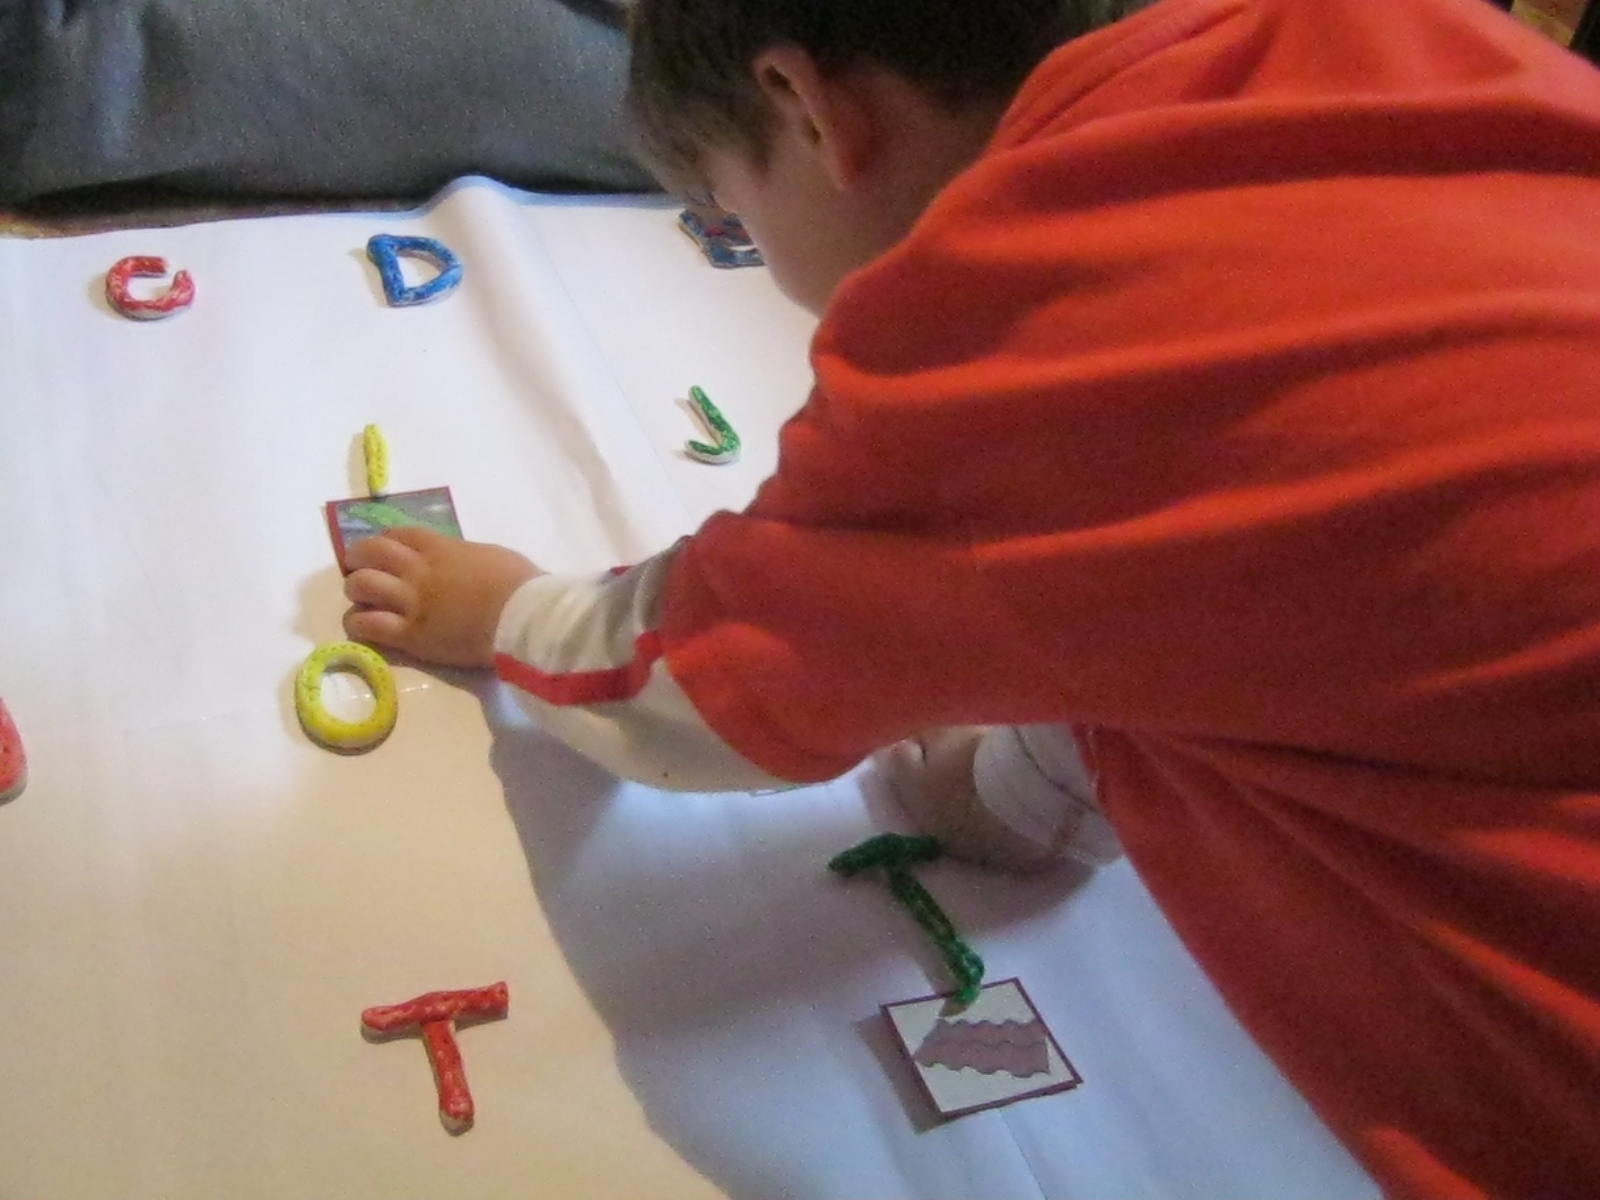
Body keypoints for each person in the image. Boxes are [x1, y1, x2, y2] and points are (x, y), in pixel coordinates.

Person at [340, 0, 1600, 1194]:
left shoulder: (1004, 336)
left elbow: (696, 684)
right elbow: (1238, 576)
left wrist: (504, 613)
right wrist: (1022, 791)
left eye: (735, 210)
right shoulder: (1398, 41)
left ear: (807, 109)